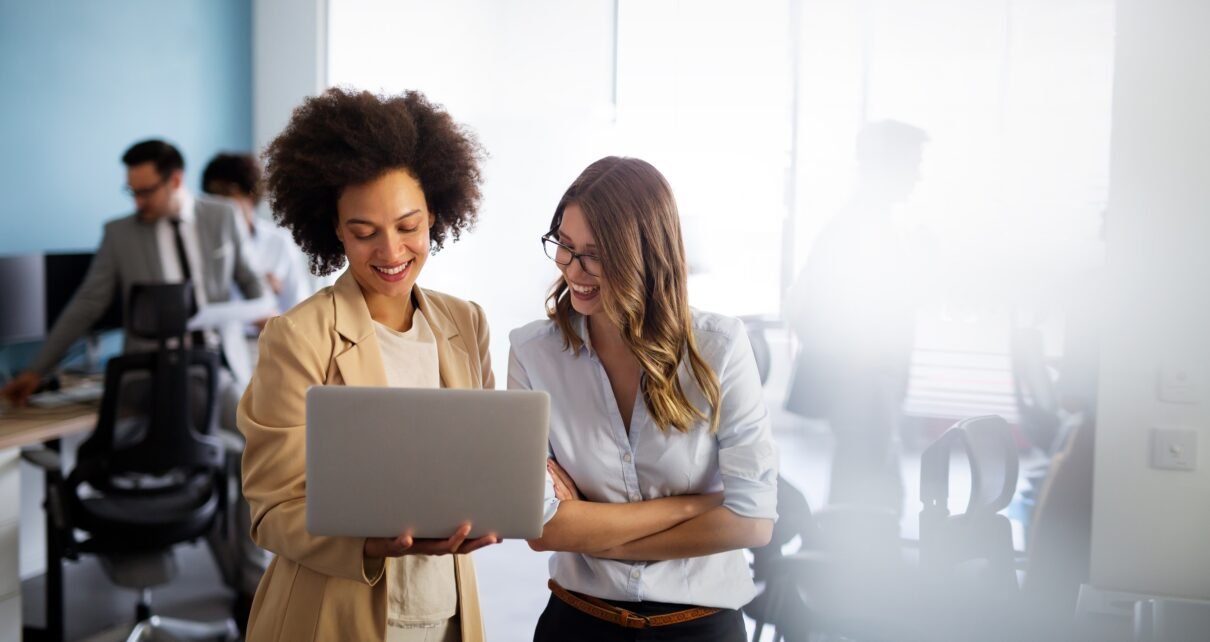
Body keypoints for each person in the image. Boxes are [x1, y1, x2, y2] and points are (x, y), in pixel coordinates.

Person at [238, 88, 499, 642]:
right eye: (363, 232)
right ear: (334, 228)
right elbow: (272, 509)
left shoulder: (466, 323)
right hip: (334, 615)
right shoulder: (298, 338)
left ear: (436, 215)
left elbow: (483, 463)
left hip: (446, 611)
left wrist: (494, 507)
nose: (390, 251)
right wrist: (369, 543)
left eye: (409, 226)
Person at [509, 157, 779, 641]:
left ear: (646, 255)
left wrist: (597, 536)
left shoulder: (719, 348)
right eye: (564, 246)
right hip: (577, 624)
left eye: (594, 254)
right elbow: (543, 529)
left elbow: (753, 523)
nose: (573, 269)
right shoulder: (533, 354)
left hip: (699, 628)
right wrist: (695, 507)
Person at [0, 139, 271, 616]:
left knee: (261, 451)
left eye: (146, 191)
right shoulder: (120, 234)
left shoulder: (222, 218)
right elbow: (87, 304)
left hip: (214, 369)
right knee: (189, 454)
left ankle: (254, 583)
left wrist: (240, 313)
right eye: (131, 192)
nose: (138, 202)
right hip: (148, 380)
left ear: (175, 181)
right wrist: (37, 369)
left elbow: (257, 291)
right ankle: (227, 578)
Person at [784, 120, 929, 515]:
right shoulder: (858, 231)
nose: (918, 175)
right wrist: (865, 374)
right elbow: (819, 309)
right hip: (864, 382)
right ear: (887, 166)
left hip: (870, 383)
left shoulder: (872, 226)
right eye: (912, 164)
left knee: (871, 489)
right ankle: (840, 569)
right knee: (864, 497)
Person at [202, 152, 312, 318]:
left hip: (273, 337)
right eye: (214, 198)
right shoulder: (202, 243)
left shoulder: (279, 242)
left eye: (227, 195)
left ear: (250, 195)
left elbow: (301, 306)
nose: (221, 206)